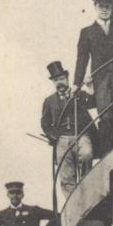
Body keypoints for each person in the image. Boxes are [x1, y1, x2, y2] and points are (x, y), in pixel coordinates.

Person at [74, 0, 113, 155]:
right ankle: (107, 158)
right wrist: (76, 83)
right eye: (101, 6)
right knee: (106, 118)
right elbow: (82, 59)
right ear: (95, 7)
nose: (105, 10)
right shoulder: (87, 33)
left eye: (108, 6)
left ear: (112, 9)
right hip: (102, 82)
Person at [40, 61, 96, 198]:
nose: (59, 82)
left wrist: (89, 86)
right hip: (62, 140)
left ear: (67, 78)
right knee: (66, 173)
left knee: (87, 154)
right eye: (55, 80)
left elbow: (93, 102)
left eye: (61, 79)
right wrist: (51, 135)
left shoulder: (78, 94)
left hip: (81, 135)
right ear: (53, 82)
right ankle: (73, 202)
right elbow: (44, 122)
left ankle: (86, 189)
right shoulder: (49, 101)